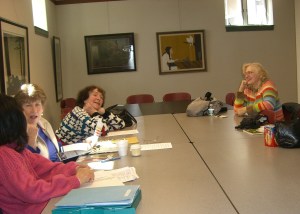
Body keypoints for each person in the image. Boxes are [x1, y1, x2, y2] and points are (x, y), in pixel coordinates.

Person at [0, 94, 94, 213]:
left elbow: (48, 168)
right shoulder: (4, 154)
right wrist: (75, 180)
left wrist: (74, 168)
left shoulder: (16, 148)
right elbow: (31, 191)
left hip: (44, 205)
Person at [56, 85, 125, 144]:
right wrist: (94, 112)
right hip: (67, 153)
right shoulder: (78, 113)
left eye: (101, 97)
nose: (99, 98)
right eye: (95, 95)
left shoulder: (93, 115)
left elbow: (121, 124)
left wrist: (105, 113)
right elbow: (102, 131)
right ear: (84, 99)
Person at [14, 83, 61, 162]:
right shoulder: (16, 132)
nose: (34, 110)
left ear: (42, 108)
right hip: (45, 173)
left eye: (37, 104)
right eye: (28, 105)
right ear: (20, 109)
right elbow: (27, 164)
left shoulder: (44, 123)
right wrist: (31, 140)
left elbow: (54, 149)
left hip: (59, 168)